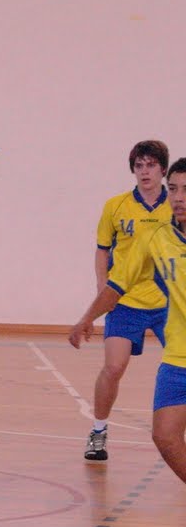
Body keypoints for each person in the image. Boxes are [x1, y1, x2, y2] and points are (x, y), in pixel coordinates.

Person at [69, 157, 186, 488]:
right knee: (165, 437)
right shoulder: (157, 238)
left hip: (167, 328)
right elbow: (117, 283)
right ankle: (99, 429)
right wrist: (87, 318)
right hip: (178, 358)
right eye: (174, 189)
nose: (179, 197)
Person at [84, 140, 172, 461]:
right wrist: (102, 285)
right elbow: (102, 249)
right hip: (125, 303)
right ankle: (98, 431)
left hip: (169, 304)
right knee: (113, 368)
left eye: (151, 165)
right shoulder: (116, 206)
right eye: (139, 166)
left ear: (163, 169)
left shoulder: (175, 207)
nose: (144, 172)